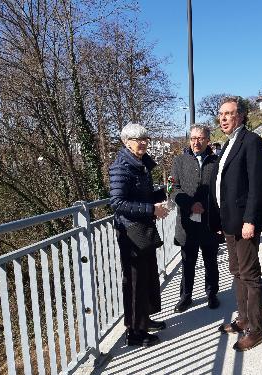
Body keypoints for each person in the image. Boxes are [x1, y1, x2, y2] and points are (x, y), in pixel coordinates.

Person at [210, 96, 262, 351]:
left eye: (228, 114)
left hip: (244, 223)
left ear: (242, 115)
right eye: (221, 114)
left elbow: (257, 186)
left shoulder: (252, 141)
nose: (223, 118)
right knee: (237, 272)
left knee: (250, 275)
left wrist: (250, 220)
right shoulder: (228, 144)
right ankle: (243, 318)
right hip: (230, 222)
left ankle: (256, 330)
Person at [109, 122, 169, 347]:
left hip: (142, 229)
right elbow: (118, 203)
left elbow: (141, 195)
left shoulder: (140, 163)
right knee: (134, 282)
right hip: (130, 232)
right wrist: (152, 209)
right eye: (138, 139)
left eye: (145, 138)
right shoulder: (121, 167)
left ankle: (144, 320)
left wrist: (161, 193)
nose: (143, 143)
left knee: (146, 277)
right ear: (127, 142)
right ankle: (134, 332)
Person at [170, 124, 220, 313]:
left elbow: (222, 189)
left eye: (200, 138)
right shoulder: (179, 161)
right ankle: (186, 296)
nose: (196, 142)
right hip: (187, 224)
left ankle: (212, 293)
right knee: (188, 261)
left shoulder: (217, 161)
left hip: (209, 222)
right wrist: (190, 204)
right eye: (193, 138)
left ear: (207, 140)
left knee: (211, 261)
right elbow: (172, 189)